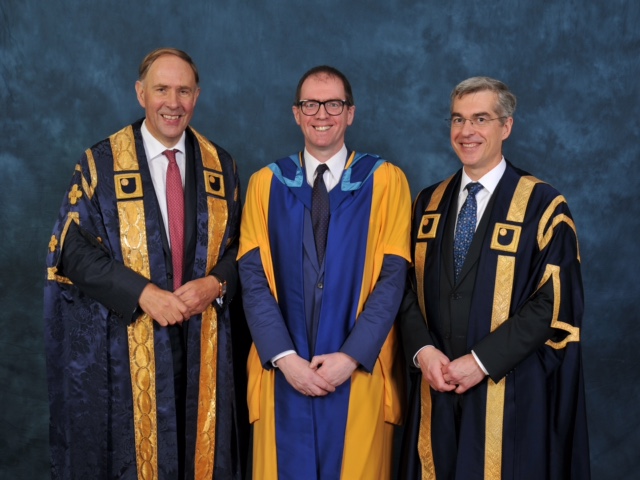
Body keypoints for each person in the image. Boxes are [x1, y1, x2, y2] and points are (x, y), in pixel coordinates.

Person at [44, 47, 247, 479]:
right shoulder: (100, 163)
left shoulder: (221, 167)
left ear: (197, 96)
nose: (173, 103)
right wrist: (143, 294)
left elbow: (243, 249)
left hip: (201, 344)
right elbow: (72, 250)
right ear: (141, 93)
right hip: (126, 345)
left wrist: (215, 283)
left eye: (183, 90)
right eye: (161, 90)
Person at [398, 76, 590, 479]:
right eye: (458, 120)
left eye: (480, 119)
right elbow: (404, 289)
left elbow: (553, 303)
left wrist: (481, 362)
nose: (466, 132)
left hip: (510, 391)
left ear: (506, 127)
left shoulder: (542, 205)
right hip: (437, 387)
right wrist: (423, 352)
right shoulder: (427, 204)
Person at [238, 65, 411, 479]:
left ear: (350, 112)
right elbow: (253, 280)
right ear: (296, 113)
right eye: (311, 104)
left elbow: (392, 280)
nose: (322, 114)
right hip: (282, 373)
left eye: (334, 103)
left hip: (359, 374)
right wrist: (284, 359)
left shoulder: (386, 182)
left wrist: (351, 357)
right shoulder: (265, 184)